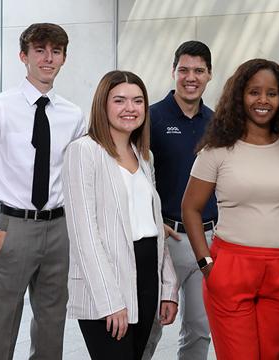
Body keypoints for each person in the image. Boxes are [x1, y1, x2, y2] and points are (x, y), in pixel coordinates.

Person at [0, 23, 84, 359]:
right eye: (39, 50)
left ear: (64, 59)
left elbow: (77, 176)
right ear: (23, 56)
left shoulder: (73, 115)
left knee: (52, 327)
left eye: (55, 51)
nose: (48, 58)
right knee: (1, 326)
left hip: (59, 230)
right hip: (13, 228)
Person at [181, 58, 279, 360]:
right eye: (254, 92)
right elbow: (190, 208)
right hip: (230, 267)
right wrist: (207, 265)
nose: (263, 100)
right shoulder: (216, 150)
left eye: (271, 93)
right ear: (239, 96)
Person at [62, 70, 179, 359]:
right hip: (107, 280)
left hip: (147, 275)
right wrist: (110, 301)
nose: (130, 108)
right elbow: (84, 234)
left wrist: (168, 288)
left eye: (138, 101)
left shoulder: (143, 155)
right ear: (103, 105)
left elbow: (154, 226)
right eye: (120, 100)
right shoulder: (83, 151)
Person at [148, 40, 216, 360]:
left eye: (199, 71)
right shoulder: (151, 118)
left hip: (207, 238)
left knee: (199, 330)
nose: (191, 77)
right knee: (150, 327)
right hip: (166, 238)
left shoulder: (218, 123)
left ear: (209, 75)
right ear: (173, 72)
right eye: (184, 70)